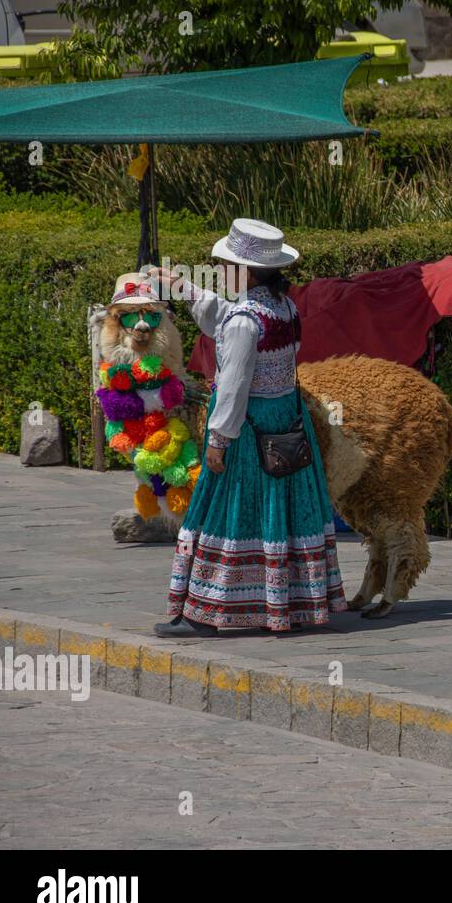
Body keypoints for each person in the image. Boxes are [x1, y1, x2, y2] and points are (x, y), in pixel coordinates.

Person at [149, 219, 347, 636]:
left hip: (247, 429)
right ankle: (289, 603)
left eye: (224, 265)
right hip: (285, 423)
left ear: (246, 272)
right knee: (282, 513)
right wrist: (180, 285)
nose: (220, 271)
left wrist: (219, 441)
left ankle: (208, 612)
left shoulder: (245, 320)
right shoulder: (283, 309)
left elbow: (234, 386)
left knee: (227, 510)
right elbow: (224, 318)